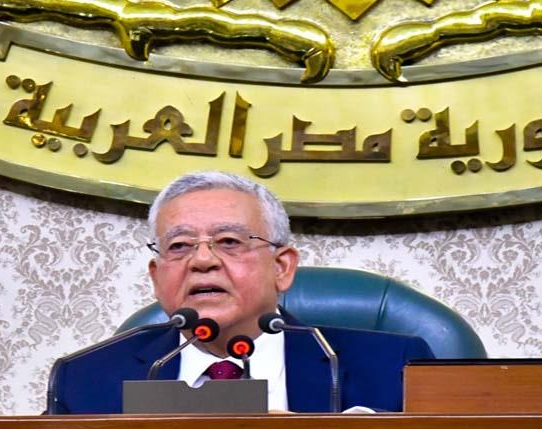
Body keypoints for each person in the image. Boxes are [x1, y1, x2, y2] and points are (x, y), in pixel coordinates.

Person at [47, 171, 434, 414]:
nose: (202, 260)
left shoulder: (393, 368)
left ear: (281, 267)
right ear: (155, 275)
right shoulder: (85, 379)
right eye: (179, 246)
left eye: (229, 241)